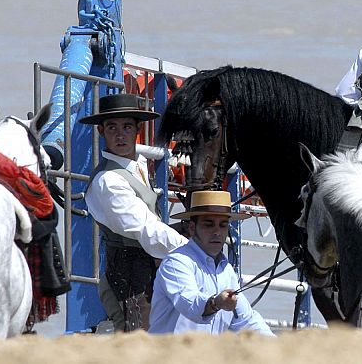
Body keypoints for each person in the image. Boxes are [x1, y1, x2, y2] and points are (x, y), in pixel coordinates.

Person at [82, 93, 188, 333]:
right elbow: (145, 229)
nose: (120, 135)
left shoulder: (137, 165)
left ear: (137, 130)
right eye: (112, 128)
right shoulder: (108, 180)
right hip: (128, 282)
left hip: (145, 276)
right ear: (101, 131)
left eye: (127, 127)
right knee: (138, 344)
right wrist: (192, 251)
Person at [148, 190, 274, 336]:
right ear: (192, 228)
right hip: (168, 350)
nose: (217, 232)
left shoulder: (226, 269)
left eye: (223, 225)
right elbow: (189, 303)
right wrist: (215, 303)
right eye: (209, 225)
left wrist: (278, 344)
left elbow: (245, 320)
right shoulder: (176, 262)